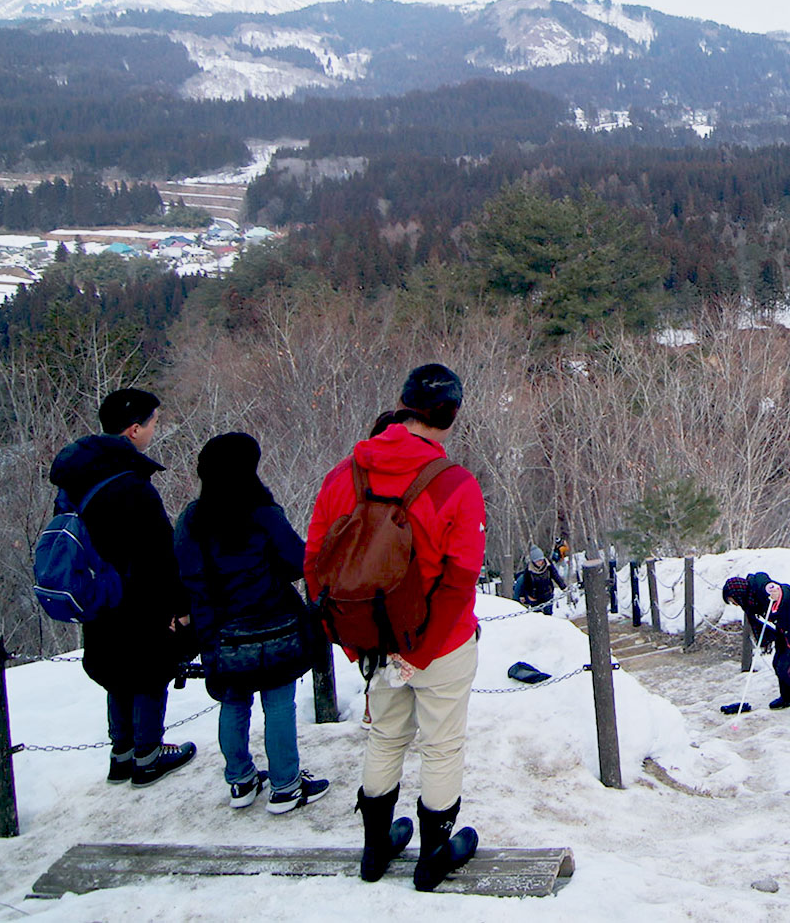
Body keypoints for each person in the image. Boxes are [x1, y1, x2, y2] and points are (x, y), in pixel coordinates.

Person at [308, 364, 486, 891]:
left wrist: (347, 639)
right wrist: (424, 653)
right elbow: (458, 583)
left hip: (372, 639)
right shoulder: (455, 485)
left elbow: (317, 564)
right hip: (439, 644)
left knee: (385, 737)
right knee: (441, 744)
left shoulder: (345, 474)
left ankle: (374, 850)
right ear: (450, 416)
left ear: (402, 403)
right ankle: (433, 857)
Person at [48, 387, 197, 787]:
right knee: (150, 669)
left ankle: (122, 753)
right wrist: (179, 606)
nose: (154, 430)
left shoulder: (77, 479)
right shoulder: (132, 486)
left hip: (97, 594)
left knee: (115, 669)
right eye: (152, 423)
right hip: (138, 596)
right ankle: (149, 754)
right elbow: (161, 554)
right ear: (133, 430)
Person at [174, 432, 328, 814]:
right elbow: (297, 561)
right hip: (274, 624)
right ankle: (286, 786)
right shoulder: (262, 513)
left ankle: (240, 781)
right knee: (278, 704)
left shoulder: (192, 519)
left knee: (234, 701)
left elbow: (187, 575)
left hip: (222, 630)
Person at [722, 570, 790, 716]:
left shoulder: (760, 587)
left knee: (786, 667)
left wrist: (777, 594)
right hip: (789, 629)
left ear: (738, 594)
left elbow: (780, 591)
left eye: (733, 601)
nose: (735, 604)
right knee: (778, 662)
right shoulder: (751, 600)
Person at [509, 545, 569, 615]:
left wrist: (563, 587)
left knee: (548, 614)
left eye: (541, 560)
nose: (540, 562)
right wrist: (522, 595)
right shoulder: (529, 570)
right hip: (534, 597)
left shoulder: (548, 565)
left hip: (547, 594)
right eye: (538, 561)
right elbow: (525, 583)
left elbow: (555, 576)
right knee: (537, 616)